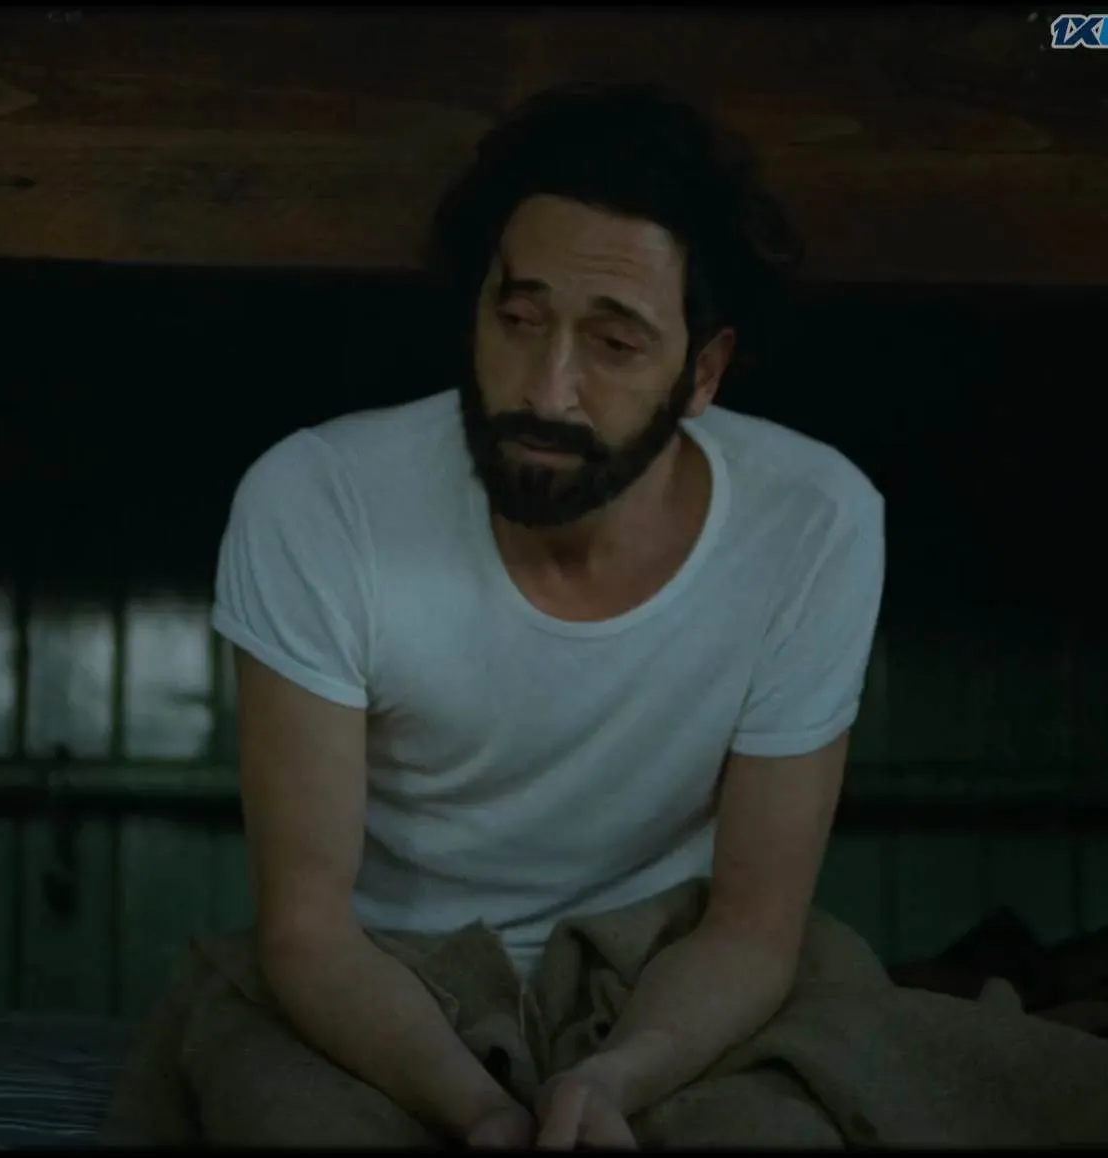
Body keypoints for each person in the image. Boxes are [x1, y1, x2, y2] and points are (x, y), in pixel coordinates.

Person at [209, 82, 885, 1148]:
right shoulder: (318, 501)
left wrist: (613, 1080)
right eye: (518, 321)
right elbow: (307, 932)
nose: (546, 390)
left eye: (614, 345)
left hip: (667, 977)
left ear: (703, 371)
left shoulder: (815, 521)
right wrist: (482, 1113)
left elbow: (754, 932)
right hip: (390, 982)